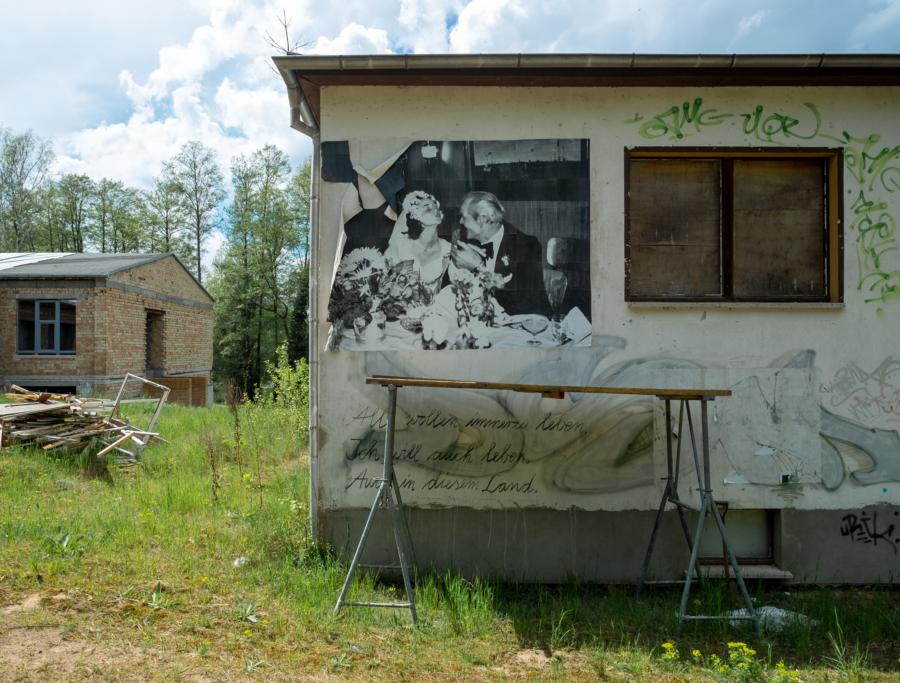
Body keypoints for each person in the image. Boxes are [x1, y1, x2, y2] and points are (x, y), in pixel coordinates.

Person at [450, 190, 549, 316]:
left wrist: (479, 268)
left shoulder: (527, 246)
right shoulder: (466, 241)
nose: (460, 222)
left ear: (482, 219)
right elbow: (452, 292)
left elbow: (524, 305)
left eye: (464, 217)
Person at [384, 190, 451, 296]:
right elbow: (383, 280)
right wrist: (395, 270)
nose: (435, 210)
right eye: (427, 208)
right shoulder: (401, 245)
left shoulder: (447, 249)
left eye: (436, 206)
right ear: (414, 216)